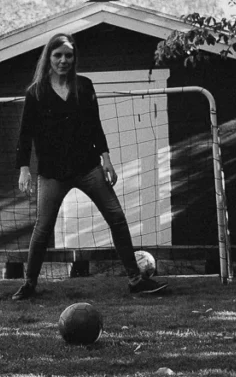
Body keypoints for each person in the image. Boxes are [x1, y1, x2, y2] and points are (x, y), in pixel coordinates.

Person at [12, 33, 168, 300]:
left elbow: (95, 127)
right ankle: (29, 284)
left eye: (69, 55)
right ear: (48, 57)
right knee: (43, 227)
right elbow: (25, 135)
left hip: (88, 168)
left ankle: (135, 280)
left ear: (75, 58)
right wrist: (24, 168)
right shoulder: (35, 93)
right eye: (58, 55)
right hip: (52, 173)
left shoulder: (84, 87)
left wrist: (106, 160)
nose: (63, 60)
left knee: (116, 218)